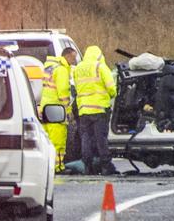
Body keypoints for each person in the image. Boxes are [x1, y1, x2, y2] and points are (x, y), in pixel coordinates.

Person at [73, 45, 117, 175]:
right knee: (100, 138)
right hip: (99, 109)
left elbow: (76, 87)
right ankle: (105, 166)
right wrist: (112, 95)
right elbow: (111, 88)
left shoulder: (78, 68)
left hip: (83, 110)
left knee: (85, 138)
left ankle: (87, 166)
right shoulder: (100, 67)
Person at [40, 47, 78, 172]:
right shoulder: (61, 70)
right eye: (73, 57)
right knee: (58, 142)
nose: (75, 60)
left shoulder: (49, 67)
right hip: (57, 110)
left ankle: (47, 166)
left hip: (45, 108)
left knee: (48, 141)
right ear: (66, 56)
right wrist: (68, 111)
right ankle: (58, 167)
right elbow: (63, 94)